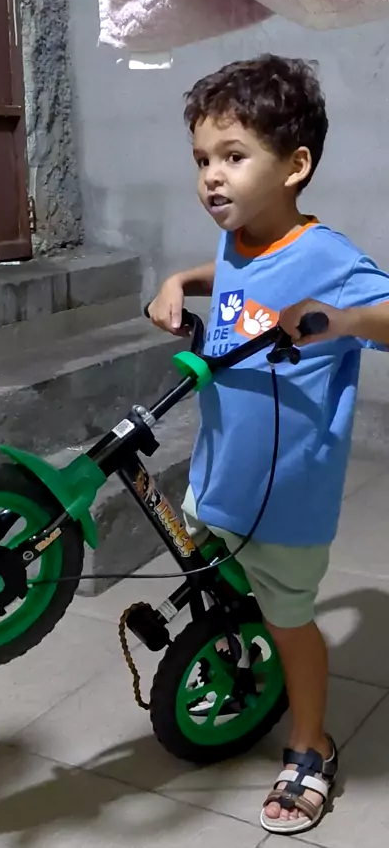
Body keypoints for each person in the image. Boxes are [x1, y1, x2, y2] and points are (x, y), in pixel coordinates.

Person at [148, 53, 389, 836]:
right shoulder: (239, 236)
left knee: (290, 620)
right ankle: (241, 639)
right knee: (224, 583)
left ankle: (311, 743)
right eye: (202, 161)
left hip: (285, 504)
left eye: (233, 156)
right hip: (220, 474)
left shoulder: (330, 260)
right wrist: (176, 284)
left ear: (295, 166)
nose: (211, 178)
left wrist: (343, 320)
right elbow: (227, 272)